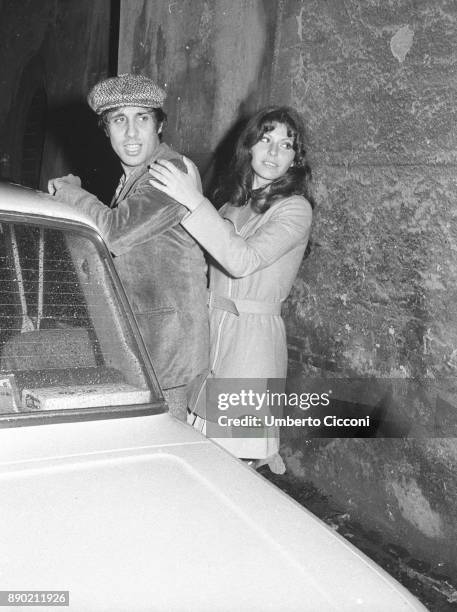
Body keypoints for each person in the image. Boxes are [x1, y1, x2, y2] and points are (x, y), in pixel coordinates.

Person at [149, 106, 313, 473]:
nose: (273, 152)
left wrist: (194, 200)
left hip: (250, 343)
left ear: (293, 160)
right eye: (266, 140)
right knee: (199, 453)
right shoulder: (230, 204)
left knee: (234, 464)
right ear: (249, 146)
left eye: (285, 145)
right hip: (210, 334)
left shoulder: (294, 209)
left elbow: (241, 260)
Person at [47, 73, 209, 421]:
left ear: (159, 125)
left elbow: (115, 232)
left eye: (142, 118)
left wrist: (70, 192)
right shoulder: (135, 176)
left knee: (163, 453)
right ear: (106, 130)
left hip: (164, 352)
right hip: (142, 342)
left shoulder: (168, 172)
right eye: (120, 120)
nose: (131, 133)